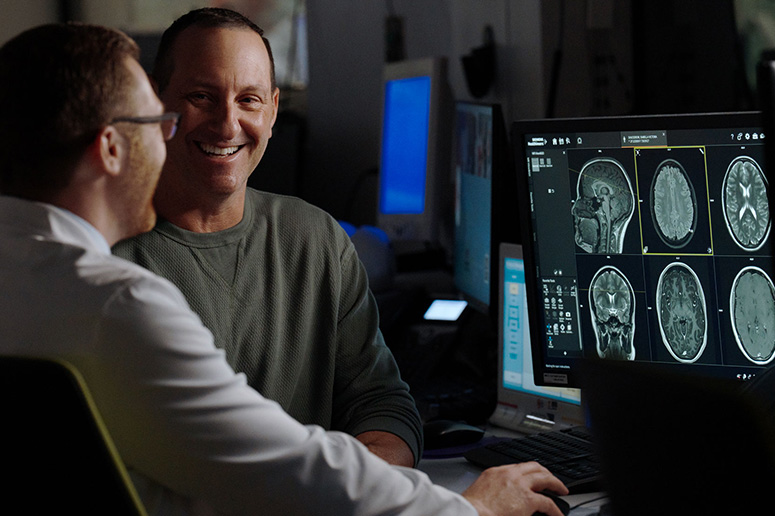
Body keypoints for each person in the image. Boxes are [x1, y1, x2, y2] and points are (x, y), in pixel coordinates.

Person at [0, 21, 569, 516]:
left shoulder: (23, 274)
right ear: (110, 148)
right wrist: (469, 509)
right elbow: (290, 472)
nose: (169, 131)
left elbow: (372, 405)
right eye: (156, 117)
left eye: (249, 99)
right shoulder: (116, 302)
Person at [112, 7, 421, 467]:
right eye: (202, 96)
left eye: (249, 100)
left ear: (274, 110)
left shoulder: (318, 240)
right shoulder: (107, 256)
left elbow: (382, 404)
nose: (227, 124)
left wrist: (356, 487)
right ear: (157, 104)